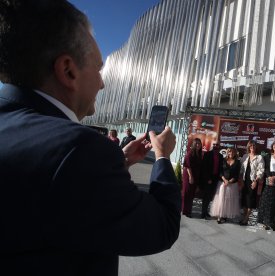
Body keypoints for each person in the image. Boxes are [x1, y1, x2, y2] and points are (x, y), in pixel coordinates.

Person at [0, 1, 181, 275]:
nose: (103, 83)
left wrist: (119, 162)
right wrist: (164, 157)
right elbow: (162, 227)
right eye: (98, 68)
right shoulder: (79, 149)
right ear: (68, 71)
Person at [210, 147, 241, 223]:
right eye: (230, 152)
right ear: (227, 152)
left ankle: (225, 215)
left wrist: (230, 181)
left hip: (232, 185)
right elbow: (220, 172)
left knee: (228, 201)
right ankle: (219, 216)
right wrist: (224, 180)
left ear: (235, 153)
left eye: (233, 152)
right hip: (223, 183)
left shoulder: (238, 162)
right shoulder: (223, 160)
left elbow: (237, 174)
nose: (231, 153)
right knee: (221, 199)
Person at [239, 140, 265, 226]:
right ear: (248, 147)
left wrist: (255, 181)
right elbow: (241, 169)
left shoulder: (259, 157)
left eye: (254, 146)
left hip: (253, 181)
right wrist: (241, 181)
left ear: (256, 147)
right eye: (251, 146)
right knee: (244, 200)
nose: (252, 148)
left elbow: (261, 171)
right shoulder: (245, 156)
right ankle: (244, 217)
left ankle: (246, 219)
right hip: (244, 181)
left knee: (250, 201)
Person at [199, 142, 223, 219]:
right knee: (206, 196)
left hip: (215, 179)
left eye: (217, 145)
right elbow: (204, 168)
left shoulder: (221, 156)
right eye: (214, 144)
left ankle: (206, 212)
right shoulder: (207, 154)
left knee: (210, 196)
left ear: (219, 146)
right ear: (213, 145)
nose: (215, 146)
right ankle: (203, 213)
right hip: (208, 179)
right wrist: (208, 179)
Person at [181, 138, 203, 218]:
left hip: (196, 176)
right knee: (186, 193)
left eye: (199, 143)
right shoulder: (190, 153)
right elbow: (187, 166)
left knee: (191, 194)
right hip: (189, 176)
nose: (198, 145)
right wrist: (190, 177)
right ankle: (185, 211)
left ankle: (188, 210)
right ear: (193, 144)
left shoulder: (199, 154)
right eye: (196, 143)